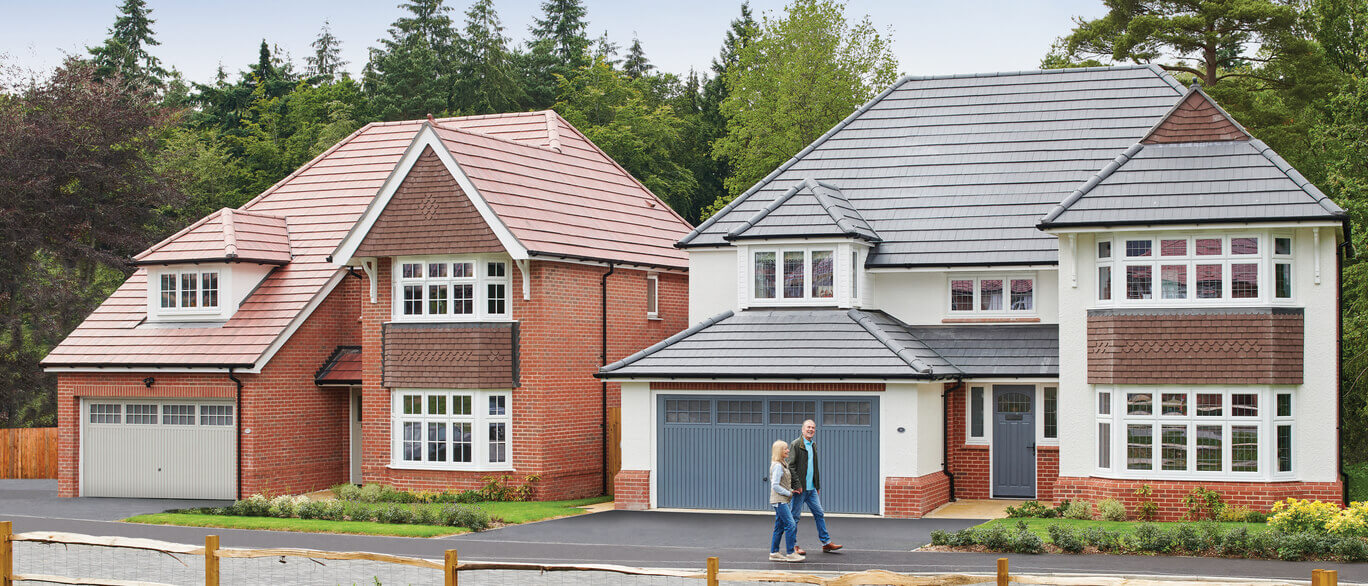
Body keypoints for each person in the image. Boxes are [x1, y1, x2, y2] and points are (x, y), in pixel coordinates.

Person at [787, 419, 844, 553]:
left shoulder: (813, 445)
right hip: (800, 490)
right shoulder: (796, 444)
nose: (810, 429)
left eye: (813, 427)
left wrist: (817, 485)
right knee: (794, 517)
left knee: (819, 513)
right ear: (802, 429)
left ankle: (826, 543)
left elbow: (814, 467)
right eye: (808, 427)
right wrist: (797, 485)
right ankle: (792, 546)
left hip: (811, 489)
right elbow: (791, 466)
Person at [768, 439, 804, 562]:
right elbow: (775, 485)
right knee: (791, 524)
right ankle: (790, 553)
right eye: (785, 449)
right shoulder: (778, 466)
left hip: (781, 500)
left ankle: (774, 552)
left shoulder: (782, 464)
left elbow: (783, 483)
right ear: (779, 451)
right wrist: (788, 493)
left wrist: (791, 490)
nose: (788, 450)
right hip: (779, 501)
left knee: (779, 526)